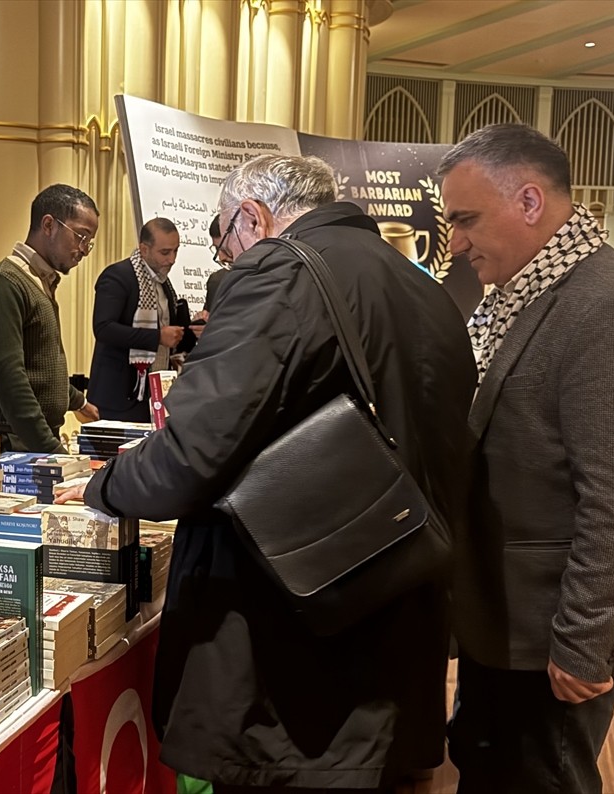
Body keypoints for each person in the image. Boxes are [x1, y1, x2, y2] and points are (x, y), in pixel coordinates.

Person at [59, 154, 476, 790]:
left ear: (252, 217)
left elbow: (191, 455)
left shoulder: (282, 273)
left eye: (223, 241)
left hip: (295, 653)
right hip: (397, 621)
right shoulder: (421, 285)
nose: (226, 259)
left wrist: (100, 486)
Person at [439, 124, 614, 794]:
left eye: (466, 220)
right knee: (488, 764)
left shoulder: (606, 308)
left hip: (554, 629)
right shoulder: (526, 293)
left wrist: (582, 643)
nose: (455, 242)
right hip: (509, 616)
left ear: (529, 203)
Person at [0, 184, 100, 453]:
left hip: (25, 441)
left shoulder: (38, 281)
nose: (84, 250)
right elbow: (9, 381)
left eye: (89, 242)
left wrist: (77, 401)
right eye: (80, 237)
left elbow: (40, 365)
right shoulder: (4, 284)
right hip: (8, 443)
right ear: (48, 225)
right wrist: (52, 451)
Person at [88, 217, 197, 422]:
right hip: (119, 396)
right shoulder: (118, 276)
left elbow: (170, 335)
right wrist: (156, 337)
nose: (172, 259)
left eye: (175, 251)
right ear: (144, 249)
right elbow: (103, 329)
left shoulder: (164, 283)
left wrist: (193, 330)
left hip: (155, 393)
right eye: (165, 252)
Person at [201, 213, 234, 319]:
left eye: (225, 249)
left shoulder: (270, 280)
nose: (221, 257)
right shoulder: (216, 282)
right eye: (216, 249)